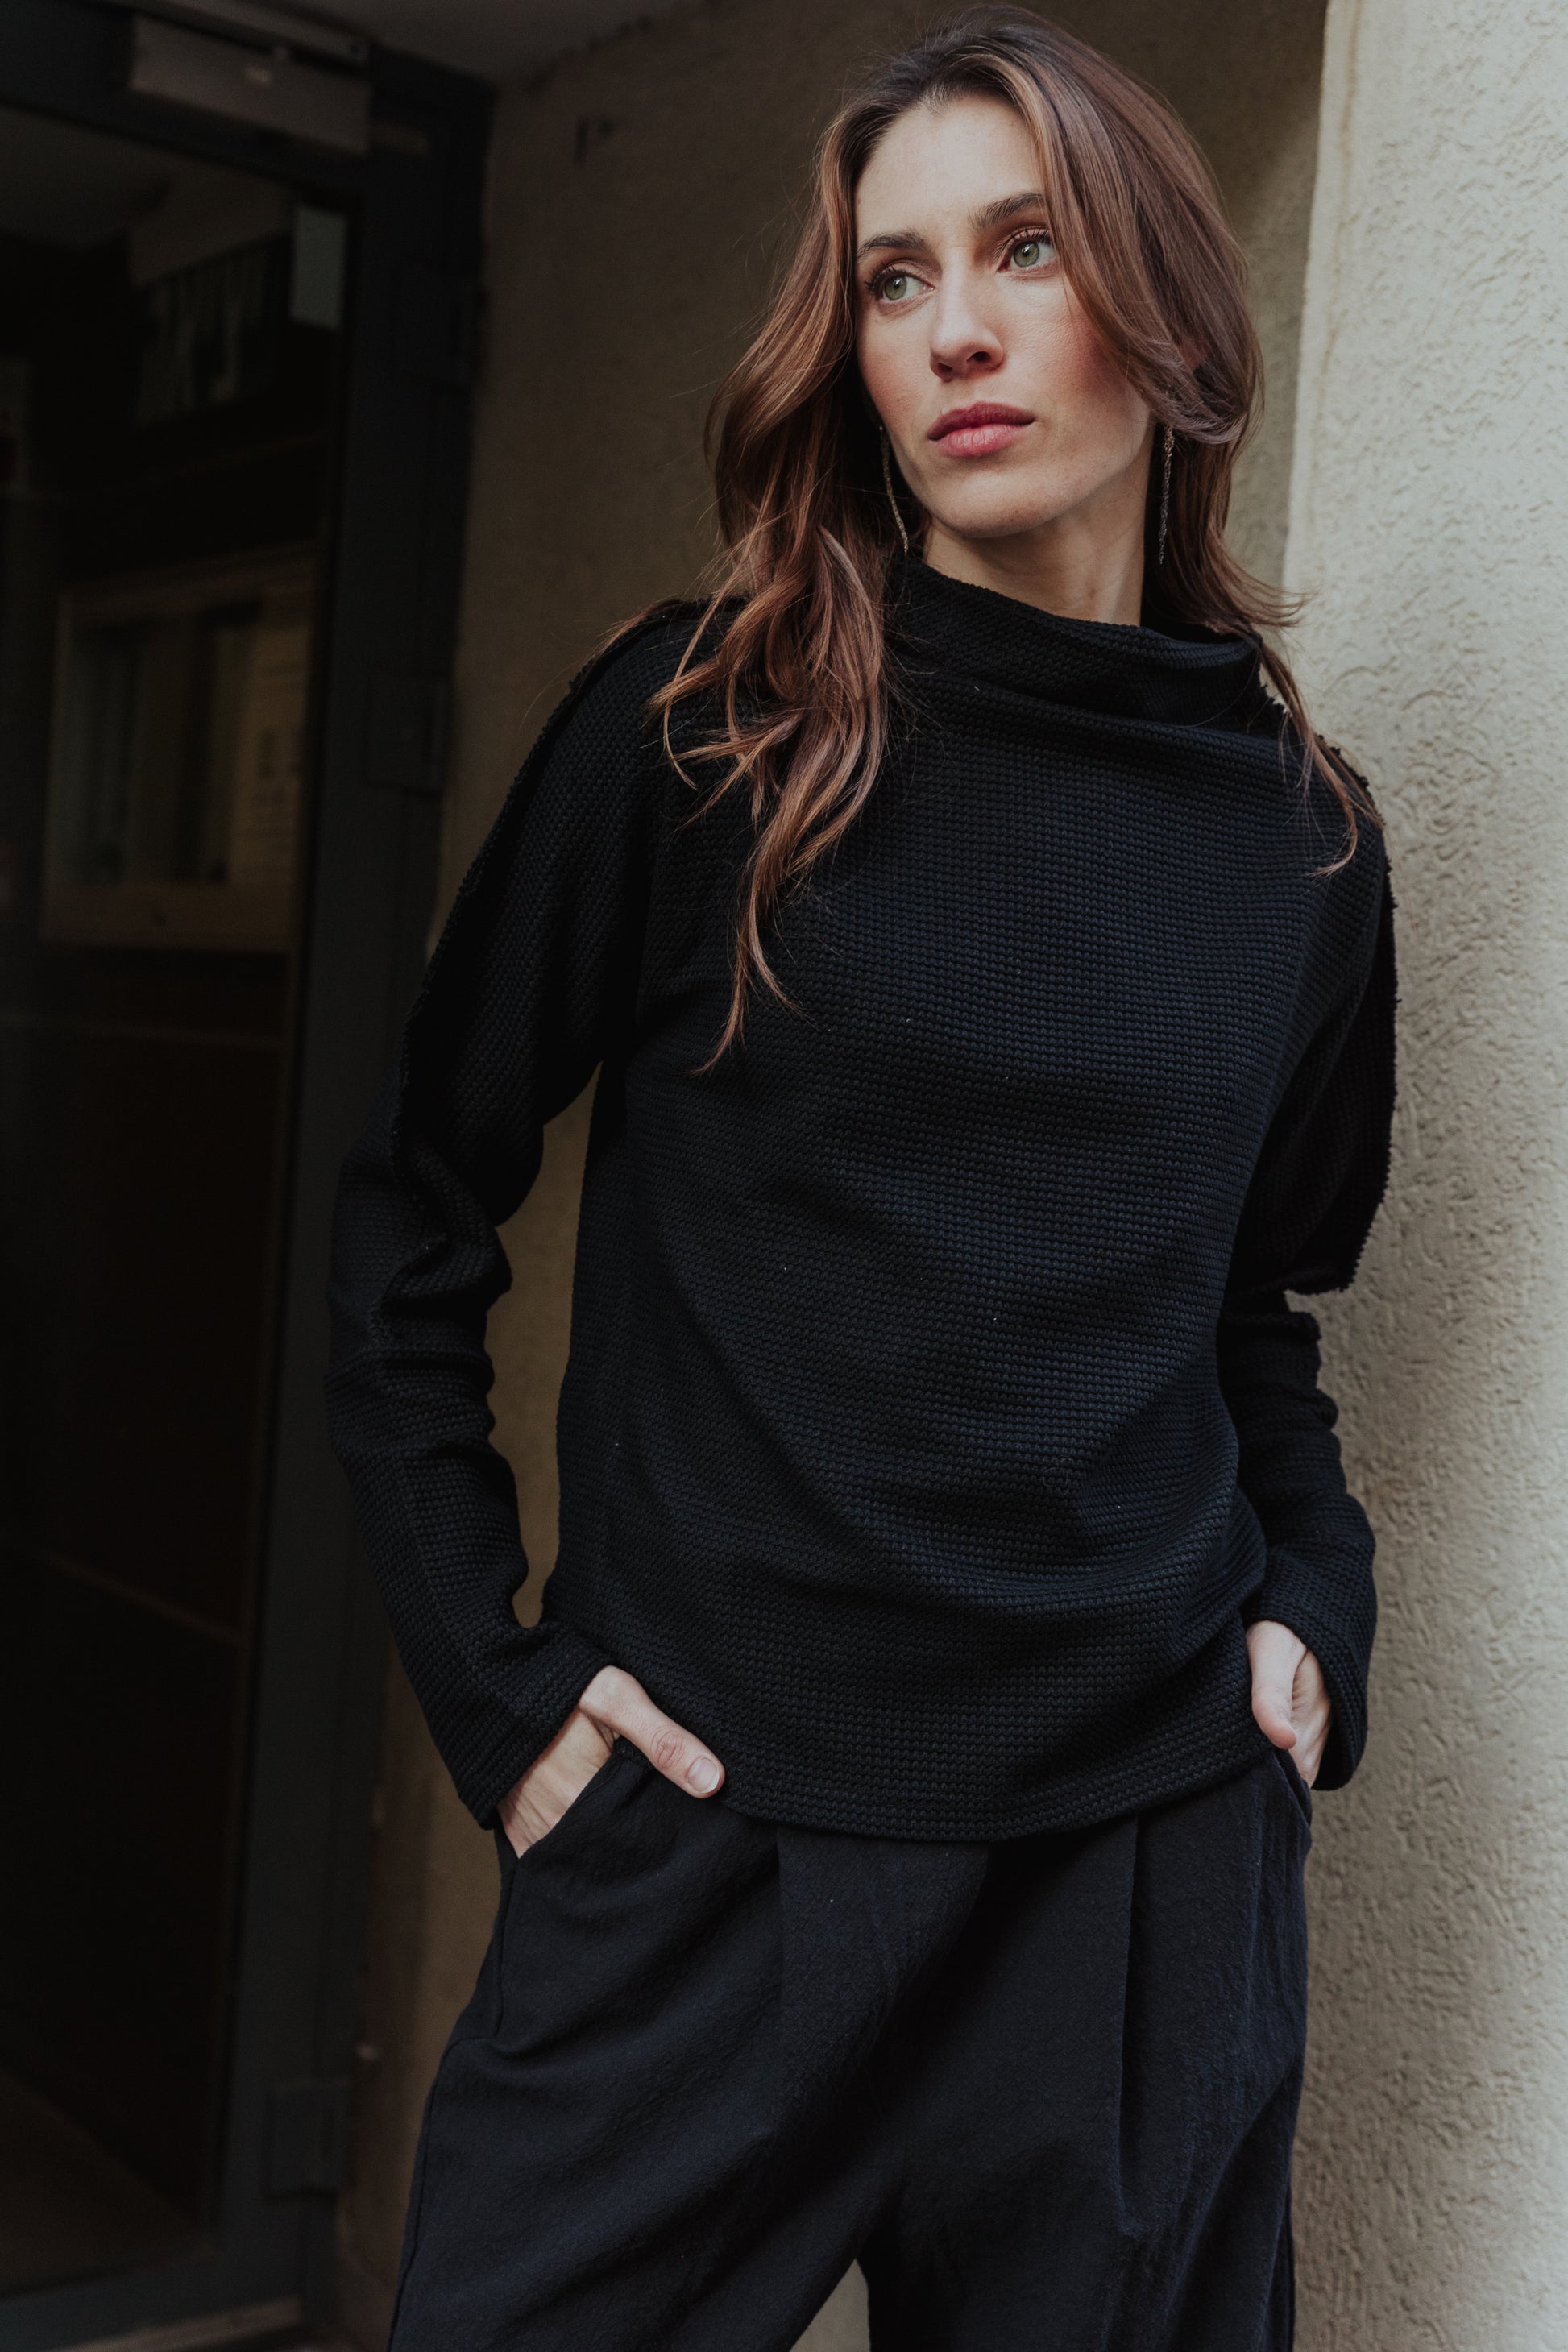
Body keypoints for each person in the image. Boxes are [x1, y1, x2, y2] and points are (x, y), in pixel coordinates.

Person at [325, 10, 1396, 2347]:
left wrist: (1315, 1606)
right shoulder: (707, 734)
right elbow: (410, 1207)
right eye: (895, 279)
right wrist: (502, 1694)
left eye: (1026, 250)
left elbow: (1249, 1306)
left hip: (1133, 1868)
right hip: (713, 1842)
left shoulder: (1299, 848)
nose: (955, 332)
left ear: (1167, 305)